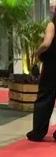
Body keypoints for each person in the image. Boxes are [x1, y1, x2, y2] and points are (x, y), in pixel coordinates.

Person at [27, 10, 56, 142]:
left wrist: (36, 53)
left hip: (52, 66)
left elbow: (46, 44)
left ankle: (38, 132)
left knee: (45, 98)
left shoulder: (52, 24)